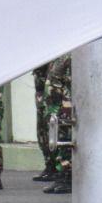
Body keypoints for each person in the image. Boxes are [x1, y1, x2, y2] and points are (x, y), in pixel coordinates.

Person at [41, 53, 74, 195]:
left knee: (66, 140)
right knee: (58, 140)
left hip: (66, 104)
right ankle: (61, 176)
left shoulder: (71, 56)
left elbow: (70, 81)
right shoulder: (59, 55)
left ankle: (68, 177)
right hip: (56, 106)